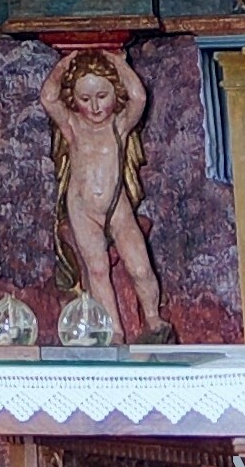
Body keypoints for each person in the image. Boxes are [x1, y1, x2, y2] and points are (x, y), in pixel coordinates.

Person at [40, 47, 170, 339]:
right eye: (85, 99)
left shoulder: (118, 125)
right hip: (82, 208)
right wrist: (66, 64)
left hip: (116, 207)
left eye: (102, 96)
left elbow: (139, 97)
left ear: (115, 94)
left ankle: (154, 318)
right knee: (97, 270)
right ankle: (114, 333)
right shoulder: (73, 126)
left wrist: (115, 62)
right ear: (74, 99)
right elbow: (48, 97)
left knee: (140, 267)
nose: (95, 107)